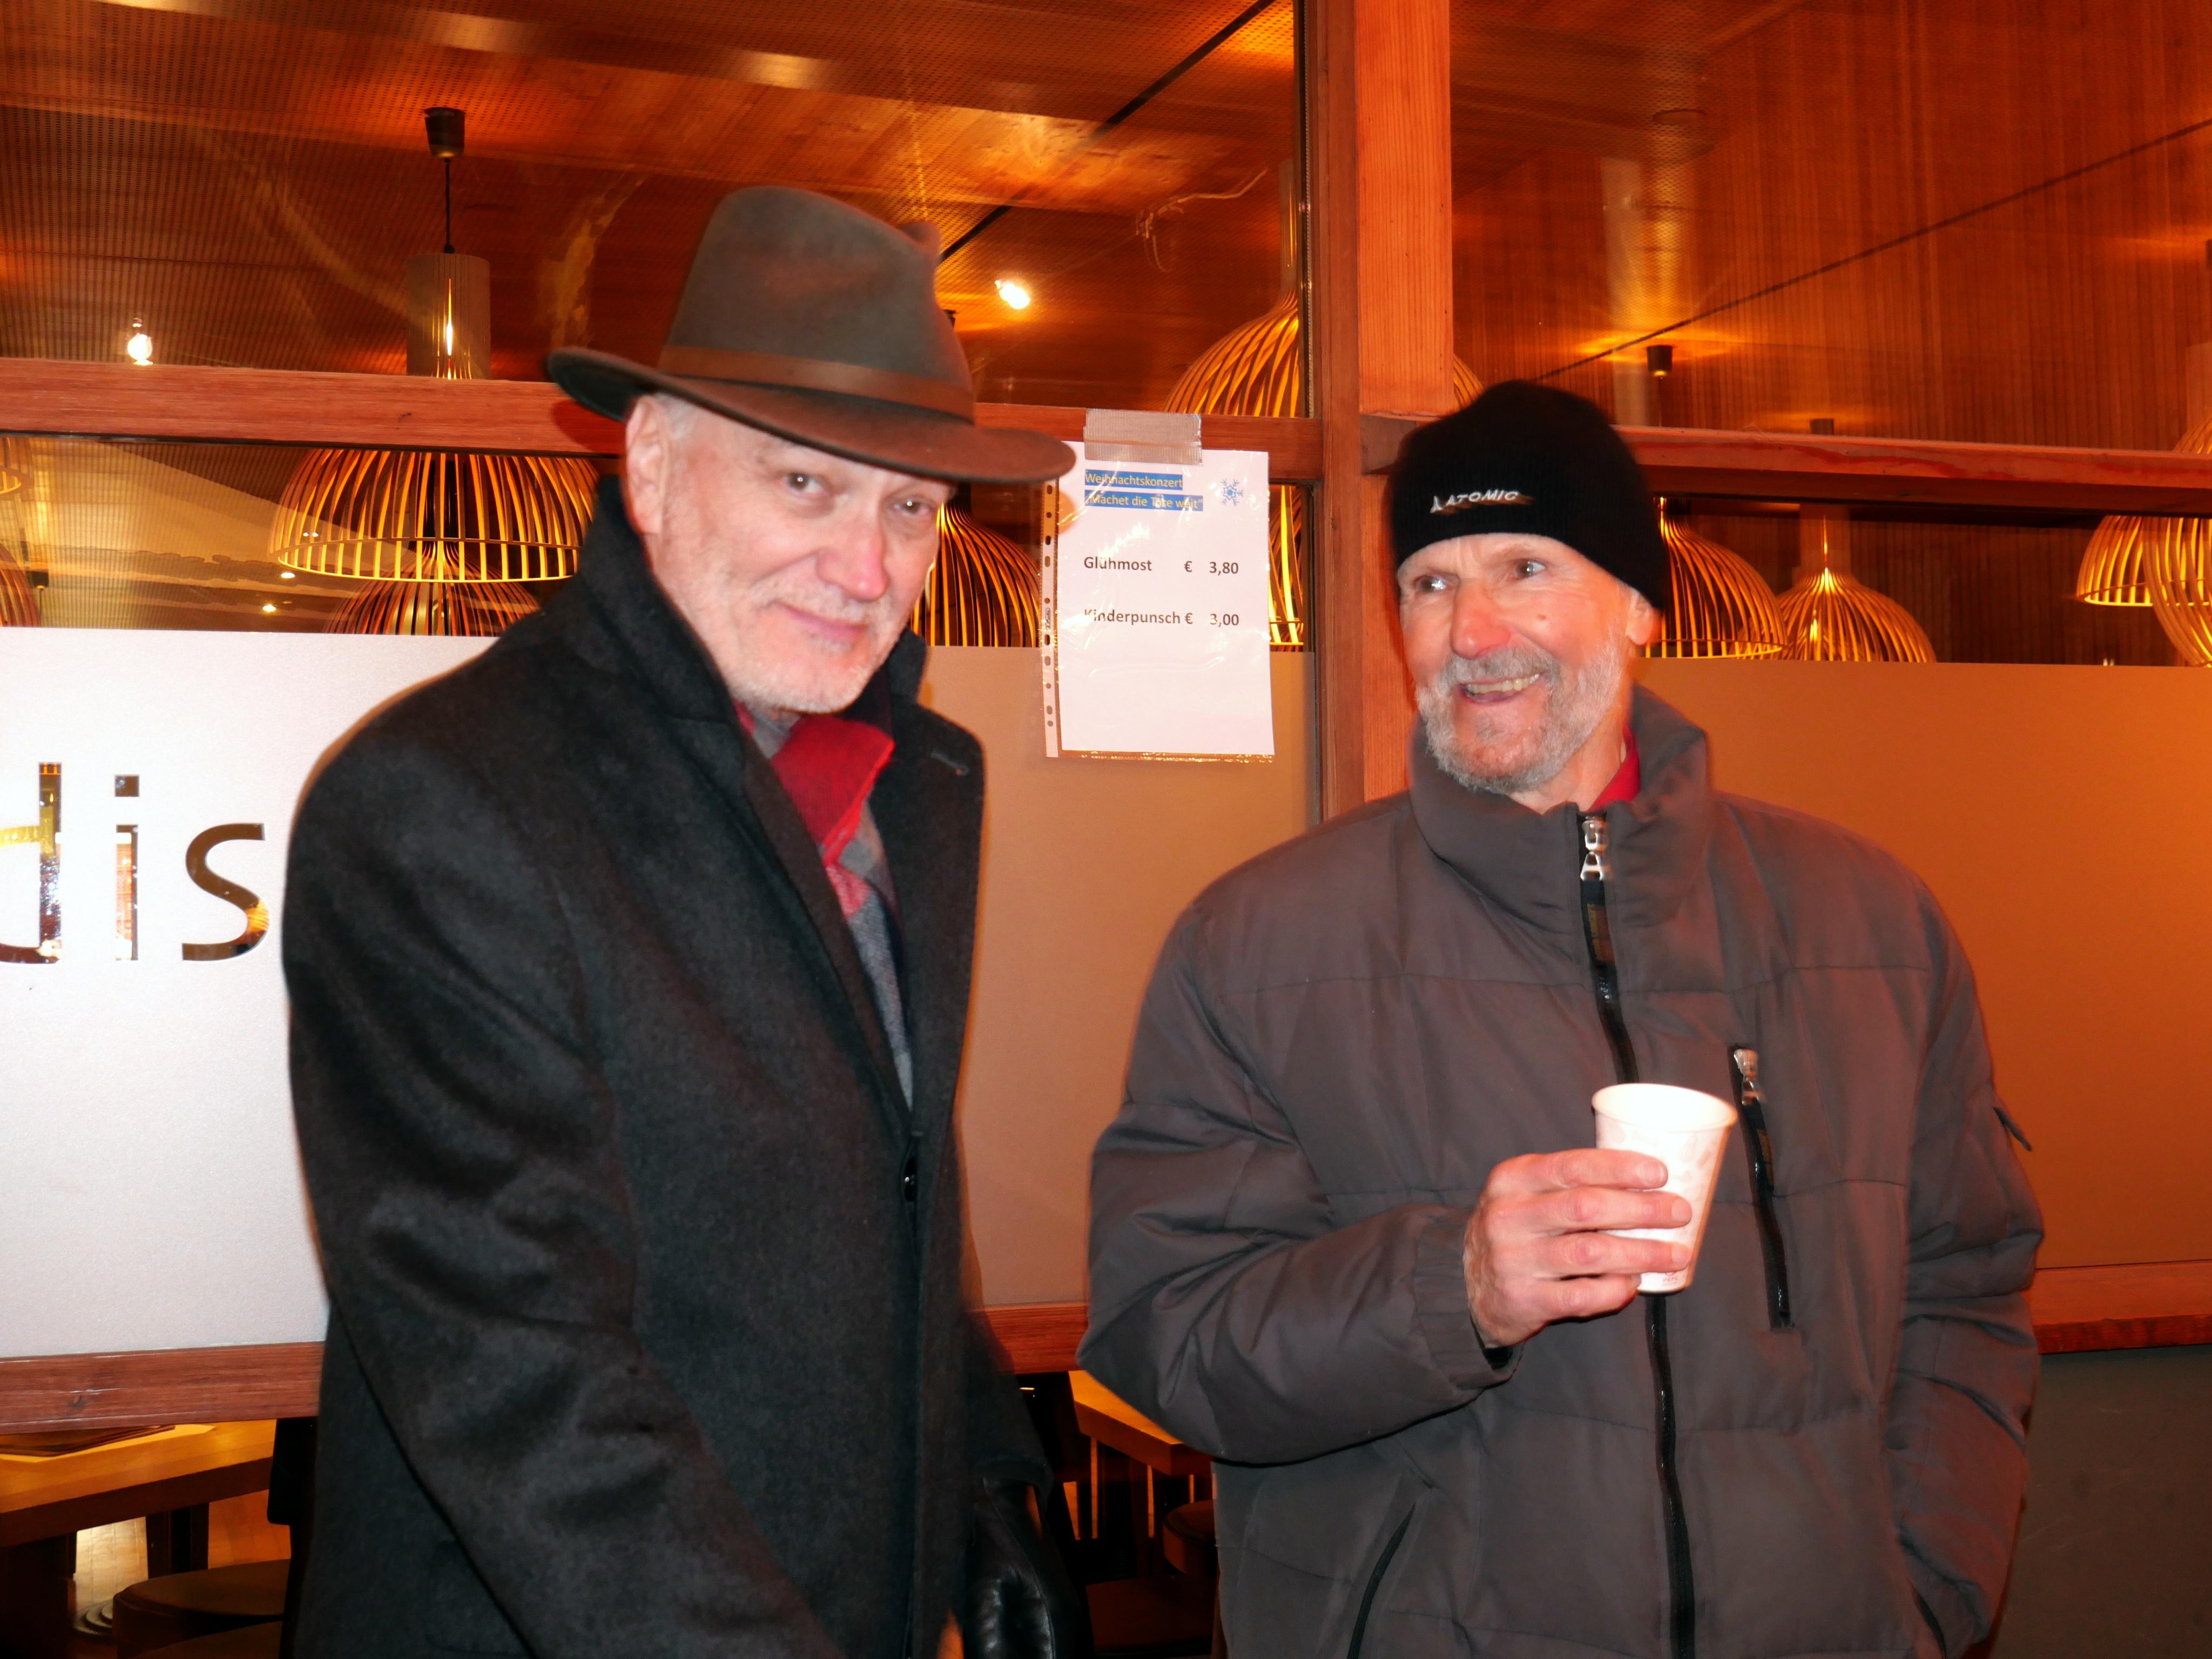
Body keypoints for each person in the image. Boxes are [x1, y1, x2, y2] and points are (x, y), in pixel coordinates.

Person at [1080, 382, 2041, 1659]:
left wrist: (1920, 1589)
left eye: (1524, 570)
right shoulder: (1257, 942)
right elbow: (1169, 1336)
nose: (1472, 631)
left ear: (1638, 604)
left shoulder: (1868, 923)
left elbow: (1965, 1287)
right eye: (1429, 584)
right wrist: (1454, 1288)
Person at [285, 187, 1087, 1659]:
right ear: (652, 466)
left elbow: (897, 1178)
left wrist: (978, 1477)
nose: (868, 568)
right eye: (806, 485)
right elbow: (515, 1368)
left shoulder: (911, 784)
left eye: (911, 505)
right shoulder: (443, 803)